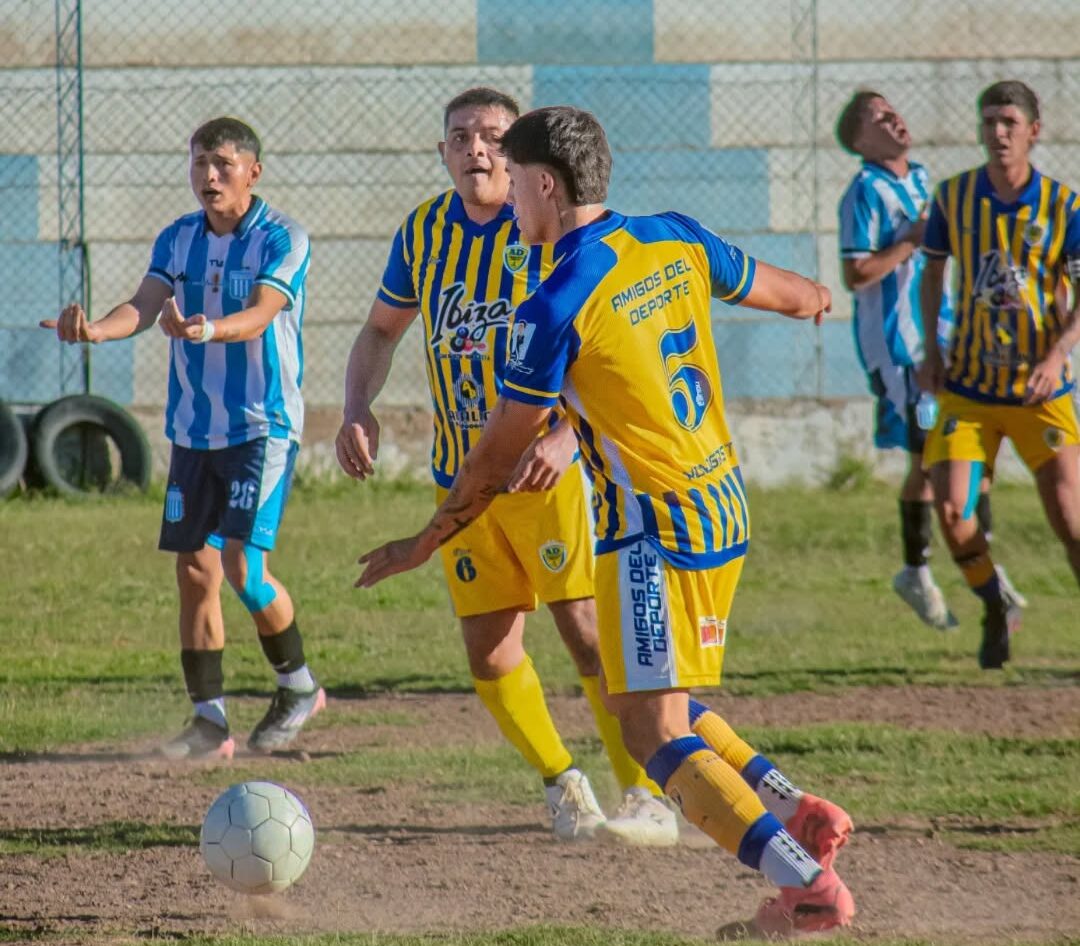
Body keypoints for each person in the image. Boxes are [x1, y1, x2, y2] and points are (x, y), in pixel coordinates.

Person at [355, 105, 856, 936]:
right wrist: (816, 296)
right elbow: (793, 293)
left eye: (514, 184)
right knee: (649, 696)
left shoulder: (554, 303)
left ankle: (804, 884)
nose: (509, 201)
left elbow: (488, 465)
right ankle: (795, 809)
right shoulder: (673, 236)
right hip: (722, 502)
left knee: (653, 733)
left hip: (652, 531)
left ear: (545, 185)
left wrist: (422, 542)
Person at [335, 87, 676, 844]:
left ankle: (644, 792)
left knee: (587, 634)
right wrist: (357, 405)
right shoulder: (424, 232)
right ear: (443, 152)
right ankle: (566, 787)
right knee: (489, 653)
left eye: (492, 136)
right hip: (464, 481)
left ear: (520, 153)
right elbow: (381, 331)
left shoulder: (552, 232)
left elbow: (605, 347)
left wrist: (565, 438)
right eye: (460, 137)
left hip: (544, 475)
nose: (476, 150)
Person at [41, 117, 324, 758]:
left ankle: (299, 686)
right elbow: (144, 303)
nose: (209, 175)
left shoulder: (284, 237)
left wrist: (205, 331)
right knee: (195, 570)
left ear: (254, 170)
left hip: (262, 427)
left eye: (223, 163)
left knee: (243, 569)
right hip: (195, 431)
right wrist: (95, 332)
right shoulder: (178, 237)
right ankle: (209, 722)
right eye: (199, 163)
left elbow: (260, 315)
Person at [835, 90, 1025, 631]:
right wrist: (912, 240)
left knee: (956, 456)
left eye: (893, 109)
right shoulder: (863, 192)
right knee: (936, 457)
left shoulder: (920, 178)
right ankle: (954, 574)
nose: (895, 118)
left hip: (944, 338)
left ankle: (934, 569)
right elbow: (857, 274)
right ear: (859, 140)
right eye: (879, 117)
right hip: (898, 349)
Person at [919, 79, 1080, 668]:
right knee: (954, 515)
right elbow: (932, 273)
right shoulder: (952, 198)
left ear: (1034, 131)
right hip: (969, 389)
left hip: (1042, 392)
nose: (998, 133)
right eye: (989, 122)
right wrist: (931, 349)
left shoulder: (1065, 208)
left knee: (1072, 522)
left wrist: (1058, 353)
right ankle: (995, 602)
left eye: (1010, 122)